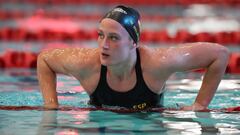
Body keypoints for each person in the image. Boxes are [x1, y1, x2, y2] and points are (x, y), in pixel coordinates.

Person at [37, 5, 230, 111]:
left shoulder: (157, 63)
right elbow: (44, 59)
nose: (103, 45)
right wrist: (51, 104)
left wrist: (200, 104)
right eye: (100, 35)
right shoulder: (87, 64)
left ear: (133, 43)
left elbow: (219, 54)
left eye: (113, 38)